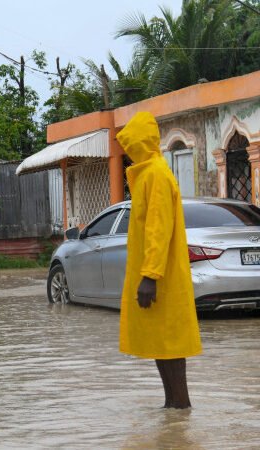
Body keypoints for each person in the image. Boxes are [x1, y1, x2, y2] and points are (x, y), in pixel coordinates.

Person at [116, 112, 201, 409]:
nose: (127, 153)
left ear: (141, 142)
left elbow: (158, 228)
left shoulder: (156, 175)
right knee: (160, 342)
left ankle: (180, 406)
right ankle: (173, 414)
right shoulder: (148, 174)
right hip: (156, 274)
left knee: (171, 343)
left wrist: (150, 276)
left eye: (129, 145)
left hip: (162, 277)